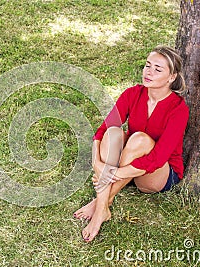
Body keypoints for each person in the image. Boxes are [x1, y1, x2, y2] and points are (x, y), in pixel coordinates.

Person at [73, 45, 189, 242]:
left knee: (139, 139)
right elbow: (102, 131)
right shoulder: (133, 94)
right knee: (112, 132)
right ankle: (103, 207)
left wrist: (112, 173)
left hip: (159, 174)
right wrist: (96, 163)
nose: (148, 72)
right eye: (147, 66)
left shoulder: (179, 109)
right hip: (131, 165)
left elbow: (157, 158)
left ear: (172, 77)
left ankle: (102, 204)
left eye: (157, 69)